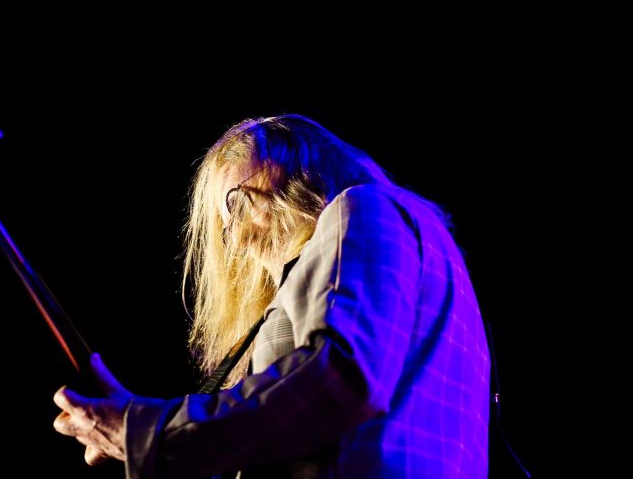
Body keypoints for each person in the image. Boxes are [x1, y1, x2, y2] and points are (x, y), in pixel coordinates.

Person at [52, 114, 490, 478]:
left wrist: (143, 432)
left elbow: (338, 376)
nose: (236, 239)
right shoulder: (421, 259)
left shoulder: (362, 207)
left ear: (298, 162)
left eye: (237, 203)